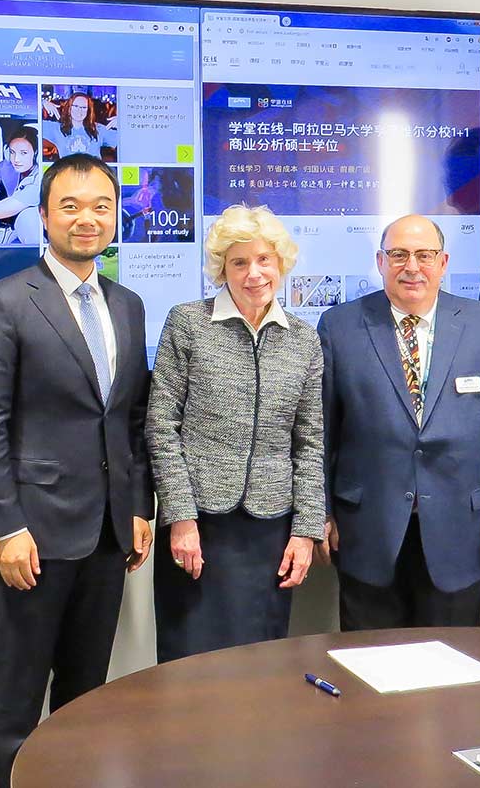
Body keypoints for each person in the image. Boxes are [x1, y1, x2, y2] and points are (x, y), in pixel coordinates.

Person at [0, 154, 154, 788]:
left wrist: (139, 505)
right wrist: (5, 526)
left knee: (84, 694)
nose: (87, 219)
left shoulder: (127, 304)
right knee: (17, 696)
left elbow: (129, 416)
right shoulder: (5, 301)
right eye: (69, 206)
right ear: (43, 216)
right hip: (33, 534)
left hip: (106, 533)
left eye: (100, 205)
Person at [315, 215, 480, 629]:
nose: (411, 266)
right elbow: (320, 430)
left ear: (444, 261)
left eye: (424, 255)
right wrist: (321, 512)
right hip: (367, 528)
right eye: (398, 254)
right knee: (371, 667)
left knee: (451, 671)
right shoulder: (340, 326)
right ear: (380, 262)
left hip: (461, 529)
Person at [147, 204, 324, 662]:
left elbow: (309, 442)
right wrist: (180, 518)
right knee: (192, 663)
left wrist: (305, 531)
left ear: (280, 263)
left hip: (271, 531)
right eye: (239, 262)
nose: (253, 274)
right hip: (200, 527)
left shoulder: (304, 339)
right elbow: (162, 426)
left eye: (264, 259)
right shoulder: (187, 322)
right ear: (221, 268)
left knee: (259, 665)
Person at [41, 91, 119, 159]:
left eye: (84, 107)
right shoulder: (56, 128)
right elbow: (31, 124)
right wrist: (42, 103)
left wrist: (123, 123)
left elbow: (125, 140)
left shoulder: (98, 129)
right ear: (69, 108)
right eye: (76, 106)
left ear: (88, 110)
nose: (79, 111)